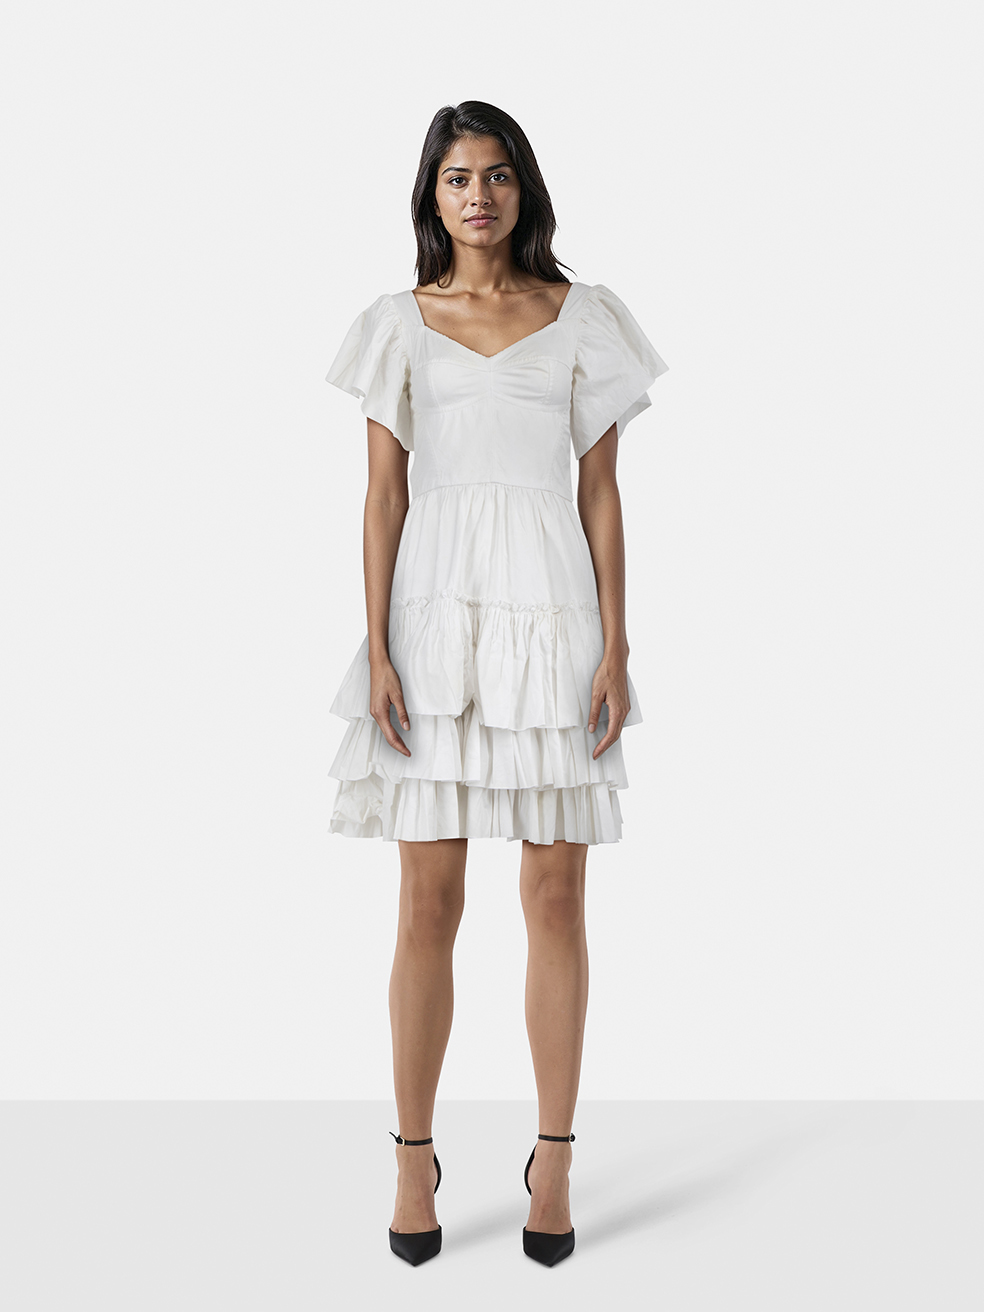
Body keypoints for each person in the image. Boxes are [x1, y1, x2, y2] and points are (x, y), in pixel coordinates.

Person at [324, 101, 669, 1267]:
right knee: (427, 902)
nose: (479, 195)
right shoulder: (398, 325)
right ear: (432, 195)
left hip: (552, 622)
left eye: (498, 174)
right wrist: (377, 647)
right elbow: (382, 496)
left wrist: (617, 643)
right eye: (458, 177)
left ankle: (554, 1157)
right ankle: (413, 1156)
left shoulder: (582, 317)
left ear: (525, 189)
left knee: (557, 897)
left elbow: (601, 493)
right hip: (434, 625)